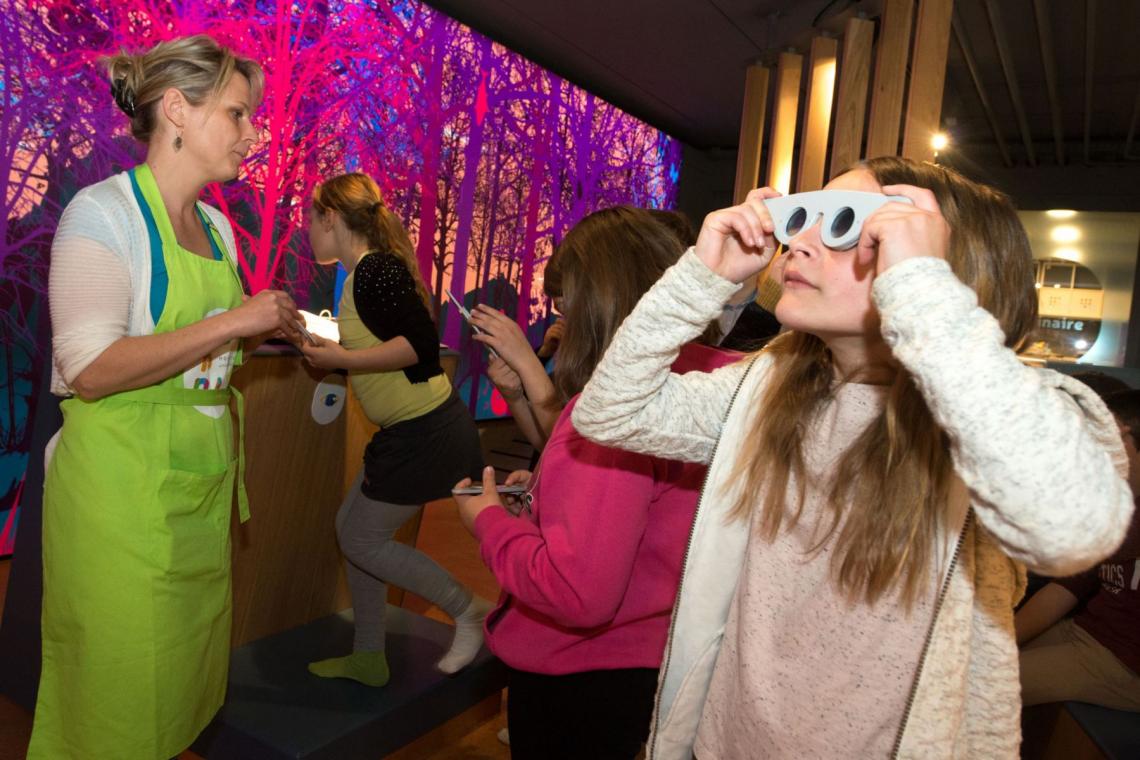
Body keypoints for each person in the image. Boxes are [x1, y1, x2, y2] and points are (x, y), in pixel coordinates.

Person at [571, 157, 1134, 759]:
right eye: (803, 218)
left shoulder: (1004, 412)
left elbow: (1073, 530)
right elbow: (609, 410)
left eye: (846, 225)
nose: (801, 244)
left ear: (937, 265)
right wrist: (700, 277)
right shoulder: (768, 388)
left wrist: (922, 292)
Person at [33, 35, 303, 759]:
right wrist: (235, 320)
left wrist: (264, 332)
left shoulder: (216, 228)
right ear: (178, 110)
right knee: (114, 700)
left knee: (179, 688)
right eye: (239, 114)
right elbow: (88, 367)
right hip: (121, 504)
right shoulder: (103, 215)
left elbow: (202, 363)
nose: (253, 134)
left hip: (197, 498)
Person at [452, 206, 739, 760]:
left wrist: (488, 523)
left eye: (566, 303)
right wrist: (542, 505)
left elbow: (579, 593)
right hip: (659, 656)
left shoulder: (613, 414)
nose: (559, 319)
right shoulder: (716, 381)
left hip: (581, 672)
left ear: (598, 301)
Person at [299, 172, 492, 685]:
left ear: (332, 219)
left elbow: (421, 344)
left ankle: (468, 608)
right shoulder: (366, 271)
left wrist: (341, 356)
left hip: (425, 431)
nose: (307, 232)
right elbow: (385, 349)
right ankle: (368, 657)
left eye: (310, 222)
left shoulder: (373, 270)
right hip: (415, 429)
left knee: (361, 537)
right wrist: (338, 355)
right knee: (353, 531)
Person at [1017, 388, 1140, 712]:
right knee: (970, 663)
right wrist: (998, 640)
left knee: (976, 688)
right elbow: (1066, 589)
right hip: (1085, 633)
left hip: (1122, 663)